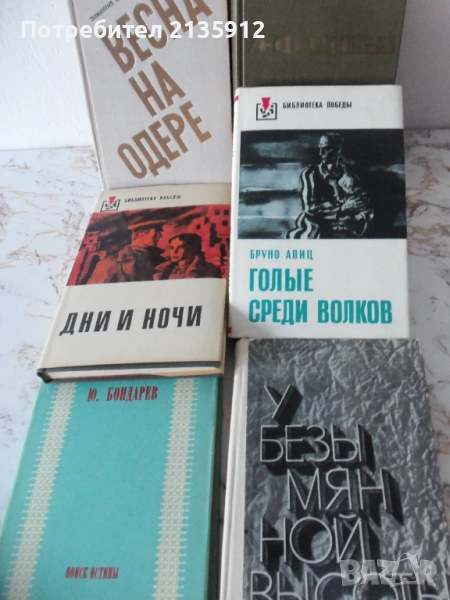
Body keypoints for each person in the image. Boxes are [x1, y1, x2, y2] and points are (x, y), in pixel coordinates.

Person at [287, 133, 374, 239]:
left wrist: (359, 218)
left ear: (338, 149)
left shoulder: (350, 174)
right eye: (320, 148)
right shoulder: (310, 174)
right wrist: (342, 208)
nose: (321, 153)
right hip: (315, 232)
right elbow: (310, 209)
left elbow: (367, 208)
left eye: (326, 149)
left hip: (347, 233)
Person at [88, 219, 165, 283]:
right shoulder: (112, 262)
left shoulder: (155, 259)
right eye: (157, 231)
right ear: (142, 233)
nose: (160, 235)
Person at [156, 233, 222, 280]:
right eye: (172, 248)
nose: (174, 252)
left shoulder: (209, 270)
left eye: (180, 247)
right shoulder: (164, 270)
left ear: (193, 249)